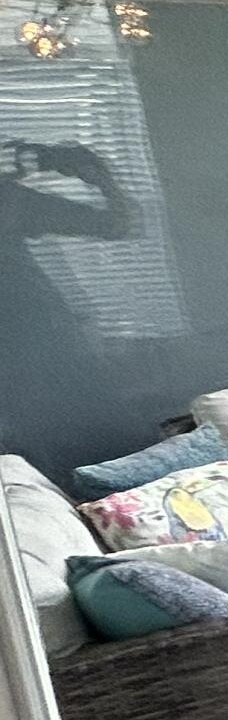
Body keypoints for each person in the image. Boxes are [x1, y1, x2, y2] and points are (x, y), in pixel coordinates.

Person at [0, 140, 142, 472]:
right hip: (41, 333)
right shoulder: (8, 198)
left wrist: (98, 176)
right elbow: (117, 224)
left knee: (88, 429)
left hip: (45, 331)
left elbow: (117, 225)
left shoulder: (8, 198)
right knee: (52, 440)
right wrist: (98, 177)